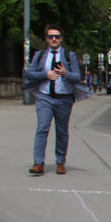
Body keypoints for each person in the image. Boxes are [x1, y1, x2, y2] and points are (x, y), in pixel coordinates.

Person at [22, 23, 89, 175]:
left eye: (57, 37)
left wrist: (65, 73)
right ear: (46, 38)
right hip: (45, 97)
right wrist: (45, 74)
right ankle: (38, 163)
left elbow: (77, 77)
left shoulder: (69, 55)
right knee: (42, 129)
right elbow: (29, 73)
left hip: (64, 99)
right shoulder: (40, 55)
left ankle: (60, 162)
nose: (54, 39)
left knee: (62, 131)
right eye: (51, 36)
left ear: (61, 38)